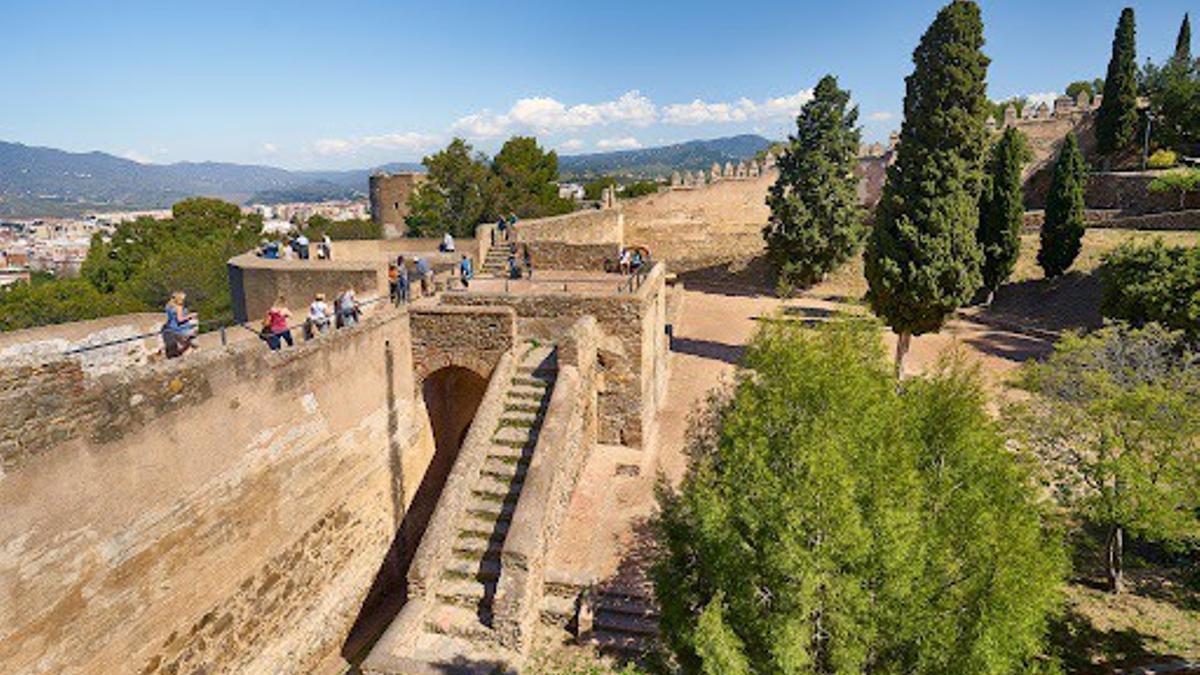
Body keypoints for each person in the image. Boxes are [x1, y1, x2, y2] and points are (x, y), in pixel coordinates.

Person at [162, 291, 197, 358]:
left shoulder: (168, 306)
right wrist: (190, 316)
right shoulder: (179, 307)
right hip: (182, 329)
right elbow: (180, 319)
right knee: (194, 343)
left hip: (171, 328)